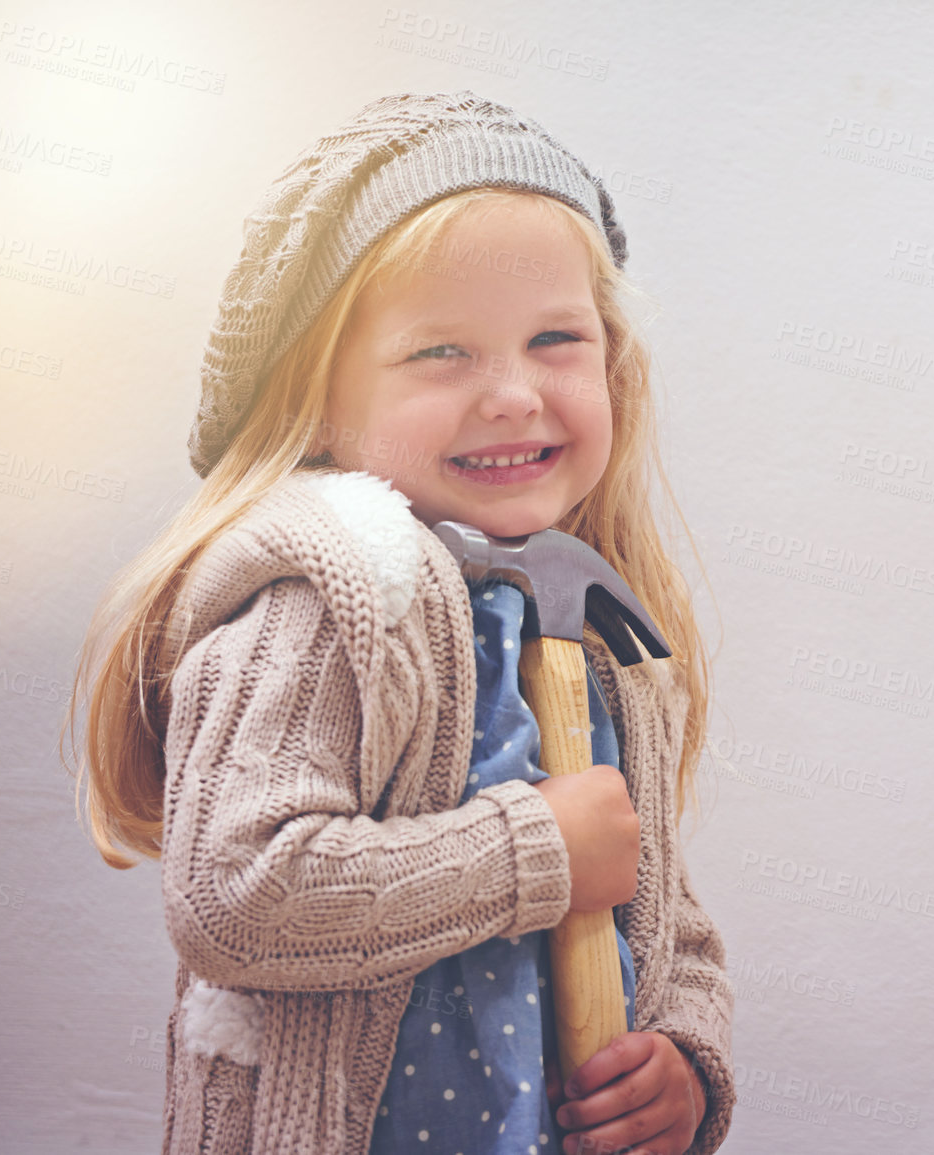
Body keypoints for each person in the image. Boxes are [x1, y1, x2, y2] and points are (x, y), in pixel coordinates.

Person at [65, 90, 734, 1155]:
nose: (514, 393)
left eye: (555, 338)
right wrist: (535, 853)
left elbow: (660, 909)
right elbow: (237, 896)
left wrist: (686, 1058)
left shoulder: (588, 628)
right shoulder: (327, 601)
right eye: (442, 353)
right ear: (318, 400)